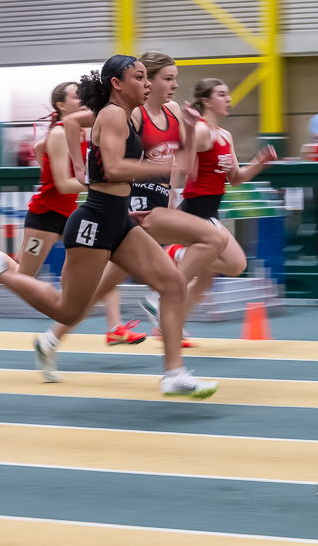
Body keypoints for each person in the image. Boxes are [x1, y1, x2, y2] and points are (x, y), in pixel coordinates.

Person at [0, 56, 217, 398]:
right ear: (117, 84)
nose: (147, 83)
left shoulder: (128, 115)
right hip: (94, 222)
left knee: (172, 285)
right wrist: (157, 166)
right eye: (140, 77)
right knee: (67, 309)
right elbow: (113, 167)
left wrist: (91, 169)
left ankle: (174, 374)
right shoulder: (112, 113)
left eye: (148, 77)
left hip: (120, 220)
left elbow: (87, 141)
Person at [0, 82, 142, 346]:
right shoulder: (59, 133)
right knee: (24, 276)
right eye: (76, 96)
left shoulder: (78, 132)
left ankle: (114, 327)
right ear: (61, 105)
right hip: (46, 216)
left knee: (101, 266)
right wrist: (100, 184)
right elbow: (63, 184)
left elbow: (38, 147)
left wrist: (46, 163)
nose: (82, 100)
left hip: (70, 214)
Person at [62, 52, 229, 348]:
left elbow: (184, 166)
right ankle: (161, 299)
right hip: (135, 204)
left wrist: (190, 131)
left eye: (176, 78)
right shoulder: (130, 113)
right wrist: (78, 165)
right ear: (148, 80)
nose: (175, 85)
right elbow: (73, 122)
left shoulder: (174, 111)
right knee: (214, 241)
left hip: (154, 203)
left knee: (99, 286)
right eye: (168, 78)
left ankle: (54, 336)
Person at [177, 78, 277, 304]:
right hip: (197, 209)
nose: (228, 99)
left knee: (204, 282)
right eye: (221, 94)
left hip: (212, 209)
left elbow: (235, 178)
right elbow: (181, 162)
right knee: (236, 264)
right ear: (207, 101)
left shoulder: (225, 135)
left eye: (228, 94)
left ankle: (170, 321)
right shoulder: (201, 130)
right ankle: (177, 255)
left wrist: (259, 163)